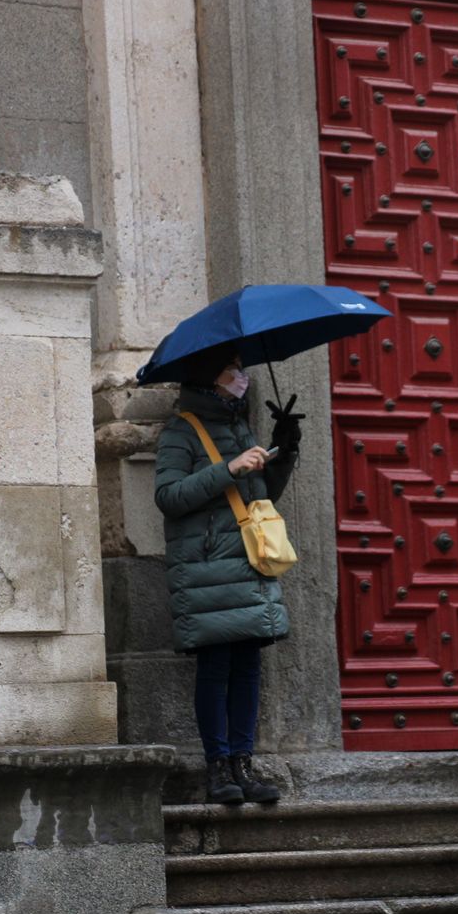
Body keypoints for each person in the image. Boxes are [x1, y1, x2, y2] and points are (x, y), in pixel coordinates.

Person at [153, 342, 302, 804]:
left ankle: (244, 764)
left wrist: (285, 448)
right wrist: (228, 468)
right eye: (233, 369)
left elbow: (261, 496)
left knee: (248, 668)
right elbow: (170, 496)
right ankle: (217, 768)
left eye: (241, 368)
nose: (241, 376)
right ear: (208, 375)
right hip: (207, 568)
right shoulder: (182, 432)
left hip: (248, 565)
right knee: (216, 668)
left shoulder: (240, 426)